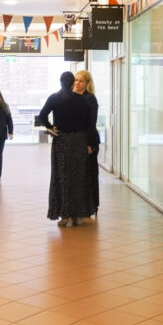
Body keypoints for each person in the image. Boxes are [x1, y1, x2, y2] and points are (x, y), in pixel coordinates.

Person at [36, 71, 95, 227]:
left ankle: (65, 215)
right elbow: (89, 124)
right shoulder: (82, 101)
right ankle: (78, 215)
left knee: (62, 178)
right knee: (79, 178)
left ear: (60, 82)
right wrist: (88, 143)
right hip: (79, 142)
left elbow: (41, 116)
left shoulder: (55, 98)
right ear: (71, 83)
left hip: (61, 141)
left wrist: (51, 128)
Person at [73, 70, 100, 216]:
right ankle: (82, 205)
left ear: (87, 83)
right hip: (78, 141)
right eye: (76, 80)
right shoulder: (74, 97)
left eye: (81, 81)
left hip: (89, 142)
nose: (77, 83)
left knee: (90, 174)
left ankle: (92, 206)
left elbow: (91, 123)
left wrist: (89, 144)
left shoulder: (90, 99)